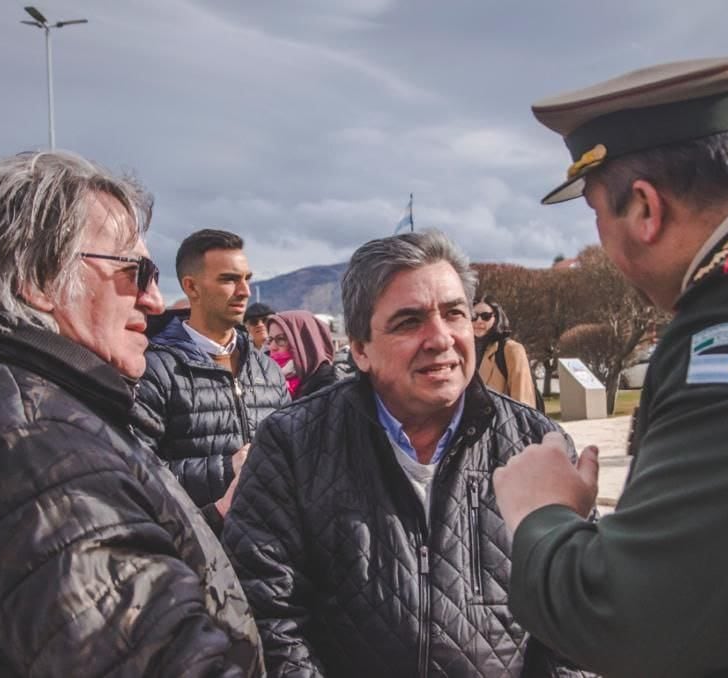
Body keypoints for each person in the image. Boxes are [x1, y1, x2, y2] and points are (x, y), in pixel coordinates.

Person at [494, 53, 728, 677]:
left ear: (645, 208)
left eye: (597, 214)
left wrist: (541, 514)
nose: (602, 246)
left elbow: (628, 621)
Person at [0, 151, 261, 676]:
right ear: (39, 277)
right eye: (134, 270)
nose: (154, 298)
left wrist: (205, 524)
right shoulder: (29, 448)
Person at [223, 230, 581, 677]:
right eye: (409, 321)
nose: (440, 338)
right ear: (360, 349)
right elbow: (265, 616)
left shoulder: (536, 443)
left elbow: (577, 619)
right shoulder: (292, 444)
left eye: (455, 314)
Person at [135, 229, 289, 534]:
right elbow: (136, 472)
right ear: (192, 287)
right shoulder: (154, 368)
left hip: (269, 553)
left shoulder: (267, 370)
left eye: (247, 278)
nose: (245, 290)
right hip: (196, 549)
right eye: (229, 279)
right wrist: (226, 469)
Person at [473, 294, 539, 408]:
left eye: (485, 316)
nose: (479, 321)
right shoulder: (466, 351)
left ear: (496, 318)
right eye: (473, 316)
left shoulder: (511, 350)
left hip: (503, 423)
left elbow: (523, 402)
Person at [266, 310, 338, 398]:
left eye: (281, 339)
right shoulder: (262, 378)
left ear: (305, 343)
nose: (272, 347)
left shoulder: (329, 389)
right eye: (270, 340)